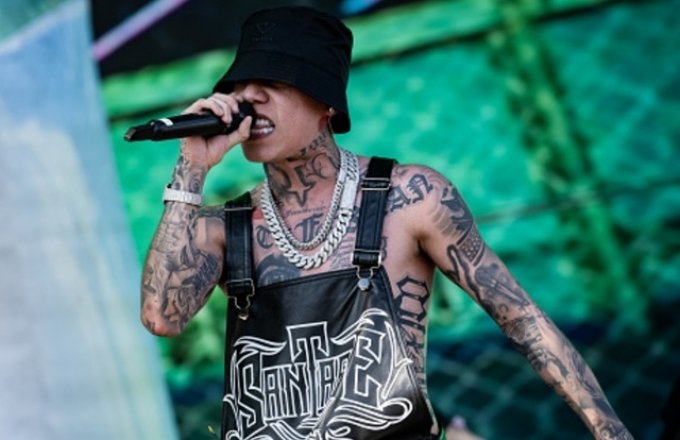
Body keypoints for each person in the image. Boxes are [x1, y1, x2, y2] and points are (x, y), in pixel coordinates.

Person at [140, 6, 632, 440]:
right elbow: (161, 317)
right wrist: (191, 169)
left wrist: (610, 431)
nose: (249, 98)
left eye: (273, 82)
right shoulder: (223, 228)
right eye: (238, 86)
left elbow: (521, 319)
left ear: (327, 103)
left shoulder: (410, 197)